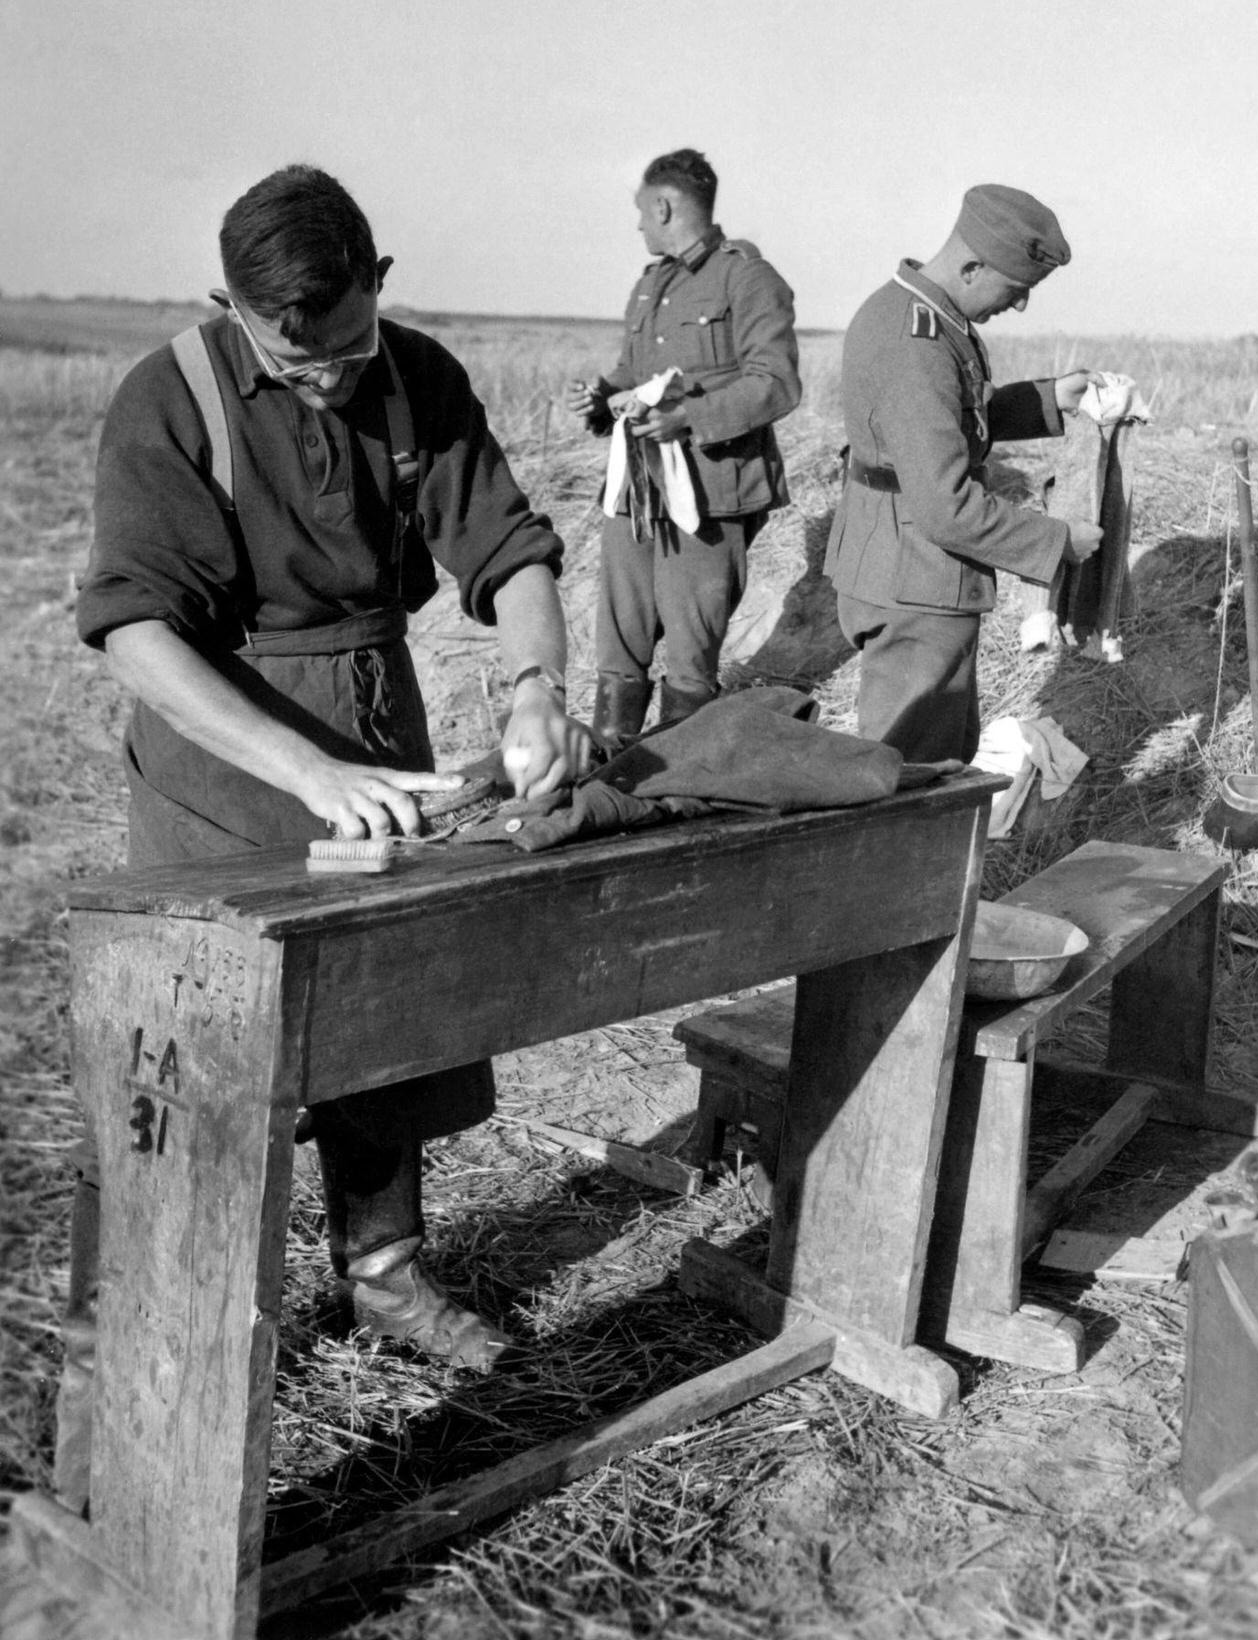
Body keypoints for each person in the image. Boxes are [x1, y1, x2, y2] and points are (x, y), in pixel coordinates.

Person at [61, 165, 592, 1501]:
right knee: (198, 1066)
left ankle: (385, 1270)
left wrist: (538, 689)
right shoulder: (164, 400)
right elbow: (135, 629)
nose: (323, 384)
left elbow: (512, 551)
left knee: (386, 1020)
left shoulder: (419, 376)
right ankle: (169, 1321)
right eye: (290, 362)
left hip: (377, 723)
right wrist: (296, 766)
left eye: (346, 349)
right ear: (224, 308)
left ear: (382, 285)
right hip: (221, 755)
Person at [824, 183, 1132, 762]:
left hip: (903, 568)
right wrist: (1059, 541)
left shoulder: (924, 316)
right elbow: (945, 505)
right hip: (914, 583)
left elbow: (944, 423)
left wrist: (1046, 399)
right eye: (1016, 290)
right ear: (970, 266)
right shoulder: (913, 340)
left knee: (938, 759)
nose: (1018, 306)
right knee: (914, 777)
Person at [564, 149, 801, 742]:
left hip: (710, 493)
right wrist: (599, 397)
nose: (638, 225)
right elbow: (632, 372)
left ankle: (682, 786)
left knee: (692, 650)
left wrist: (687, 420)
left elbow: (776, 382)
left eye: (642, 212)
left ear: (664, 205)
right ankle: (609, 769)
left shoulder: (746, 277)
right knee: (619, 636)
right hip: (637, 490)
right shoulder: (651, 286)